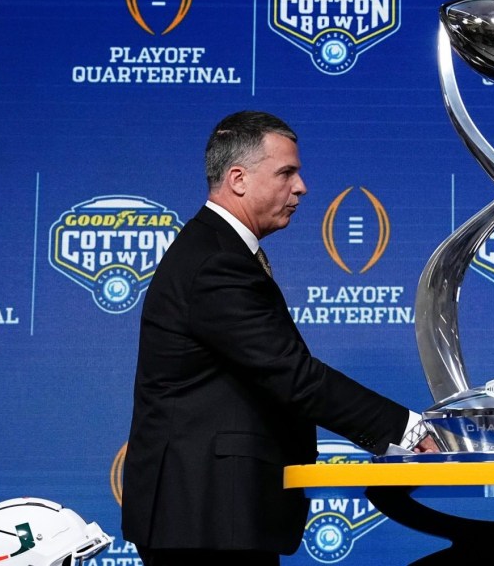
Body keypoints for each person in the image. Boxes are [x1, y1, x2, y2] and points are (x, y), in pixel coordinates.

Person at [121, 110, 435, 565]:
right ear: (238, 179)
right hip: (203, 515)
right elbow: (295, 376)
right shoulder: (216, 263)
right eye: (286, 172)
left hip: (213, 514)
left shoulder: (218, 251)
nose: (301, 187)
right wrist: (409, 430)